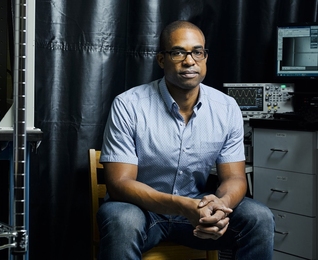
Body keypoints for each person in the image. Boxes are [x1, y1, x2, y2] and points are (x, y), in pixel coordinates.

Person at [97, 20, 274, 260]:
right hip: (142, 213)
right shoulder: (129, 105)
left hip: (197, 214)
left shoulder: (226, 107)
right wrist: (181, 206)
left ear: (205, 58)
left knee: (258, 216)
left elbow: (234, 177)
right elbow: (119, 183)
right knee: (121, 218)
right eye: (178, 52)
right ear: (162, 60)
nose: (189, 61)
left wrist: (220, 206)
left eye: (197, 52)